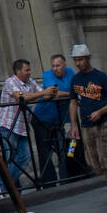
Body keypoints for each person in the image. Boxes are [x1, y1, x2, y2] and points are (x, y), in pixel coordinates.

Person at [68, 43, 107, 208]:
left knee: (106, 159)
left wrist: (101, 111)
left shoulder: (101, 77)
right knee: (93, 162)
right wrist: (73, 124)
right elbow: (73, 102)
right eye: (76, 60)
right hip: (85, 125)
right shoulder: (75, 80)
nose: (78, 63)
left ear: (88, 58)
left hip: (104, 123)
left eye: (81, 60)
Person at [0, 59, 47, 196]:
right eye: (27, 70)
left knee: (25, 156)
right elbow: (20, 97)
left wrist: (54, 92)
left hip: (22, 126)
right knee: (9, 157)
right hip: (7, 125)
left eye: (29, 70)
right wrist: (42, 94)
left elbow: (43, 93)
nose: (30, 73)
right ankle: (8, 188)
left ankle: (4, 183)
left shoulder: (31, 82)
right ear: (18, 72)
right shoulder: (10, 82)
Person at [32, 53, 73, 185]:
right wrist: (71, 94)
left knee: (65, 149)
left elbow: (78, 90)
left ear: (65, 65)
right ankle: (50, 183)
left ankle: (66, 179)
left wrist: (68, 94)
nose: (55, 68)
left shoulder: (70, 72)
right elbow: (54, 94)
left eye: (58, 65)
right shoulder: (47, 74)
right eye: (53, 66)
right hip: (42, 118)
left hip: (61, 119)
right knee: (45, 152)